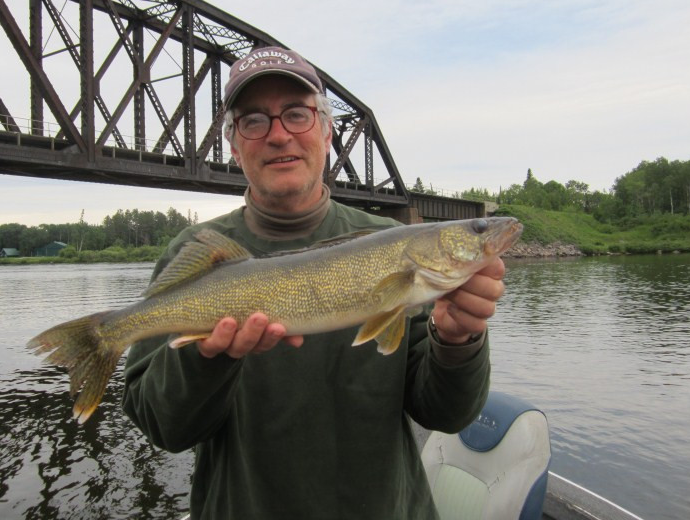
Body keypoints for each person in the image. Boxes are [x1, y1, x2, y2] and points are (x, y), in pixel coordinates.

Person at [122, 46, 507, 519]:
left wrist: (457, 340)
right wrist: (207, 359)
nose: (279, 135)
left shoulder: (393, 244)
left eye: (297, 115)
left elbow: (445, 415)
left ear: (326, 132)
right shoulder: (197, 251)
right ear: (233, 143)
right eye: (254, 121)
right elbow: (165, 429)